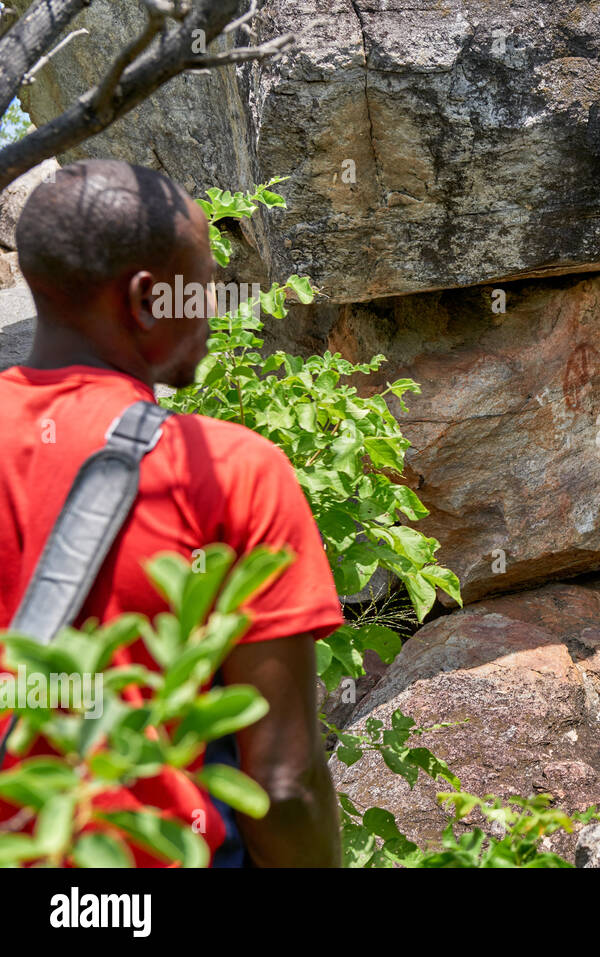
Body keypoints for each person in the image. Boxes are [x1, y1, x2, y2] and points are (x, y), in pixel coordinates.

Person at [0, 159, 343, 866]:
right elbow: (281, 784)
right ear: (148, 301)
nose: (215, 311)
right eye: (206, 289)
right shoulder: (225, 470)